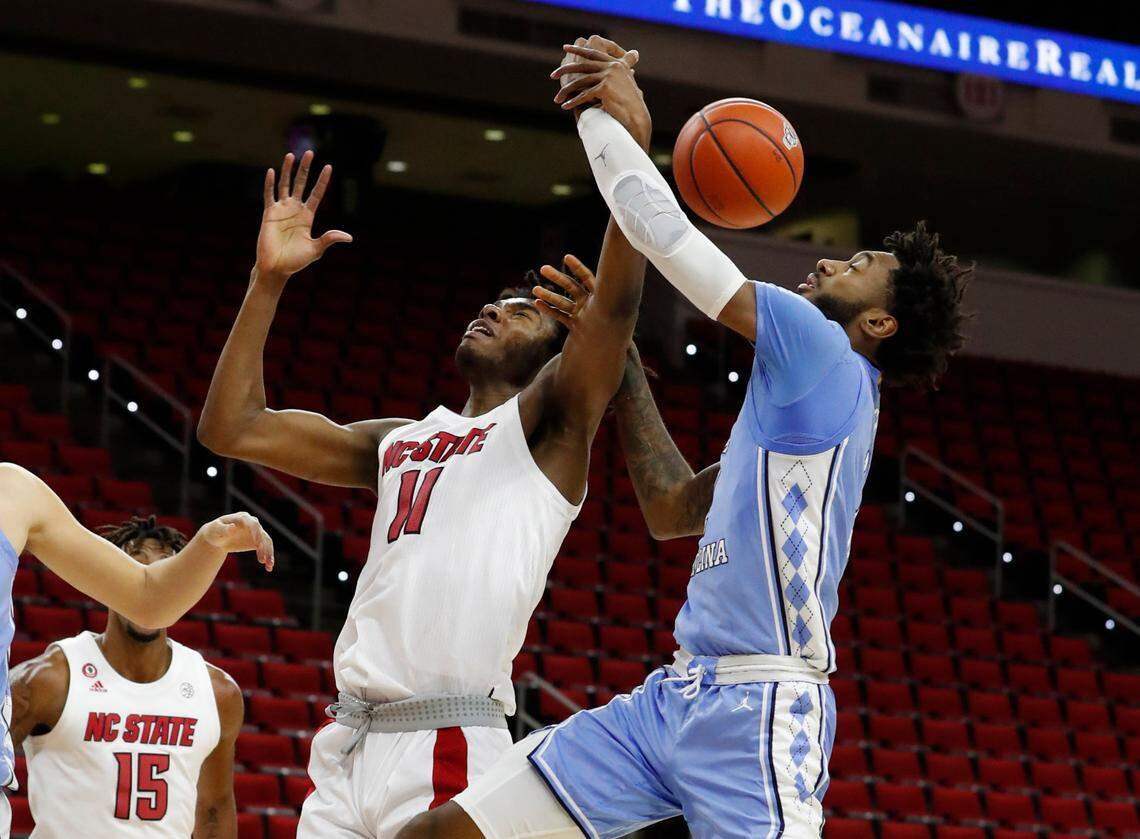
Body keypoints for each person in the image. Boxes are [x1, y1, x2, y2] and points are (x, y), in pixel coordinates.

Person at [398, 35, 969, 839]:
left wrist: (617, 125)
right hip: (673, 700)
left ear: (879, 321)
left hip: (760, 711)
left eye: (861, 263)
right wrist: (625, 366)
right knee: (443, 834)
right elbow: (669, 509)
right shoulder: (791, 419)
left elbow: (667, 238)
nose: (834, 262)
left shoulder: (824, 351)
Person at [194, 45, 650, 836]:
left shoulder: (549, 427)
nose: (495, 309)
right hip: (347, 742)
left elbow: (611, 312)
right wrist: (267, 282)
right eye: (493, 301)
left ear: (556, 355)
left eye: (522, 309)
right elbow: (232, 427)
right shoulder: (404, 439)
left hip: (447, 732)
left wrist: (632, 152)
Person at [0, 464, 271, 837]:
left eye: (166, 567)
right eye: (137, 564)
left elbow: (212, 810)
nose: (152, 573)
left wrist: (211, 542)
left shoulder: (217, 692)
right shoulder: (51, 678)